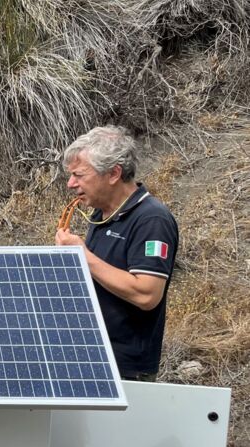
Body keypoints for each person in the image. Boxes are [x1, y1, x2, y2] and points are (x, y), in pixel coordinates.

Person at [56, 126, 179, 381]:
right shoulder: (102, 214)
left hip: (125, 370)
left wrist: (84, 256)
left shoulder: (151, 219)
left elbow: (146, 293)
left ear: (113, 174)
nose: (71, 184)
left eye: (79, 175)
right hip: (92, 357)